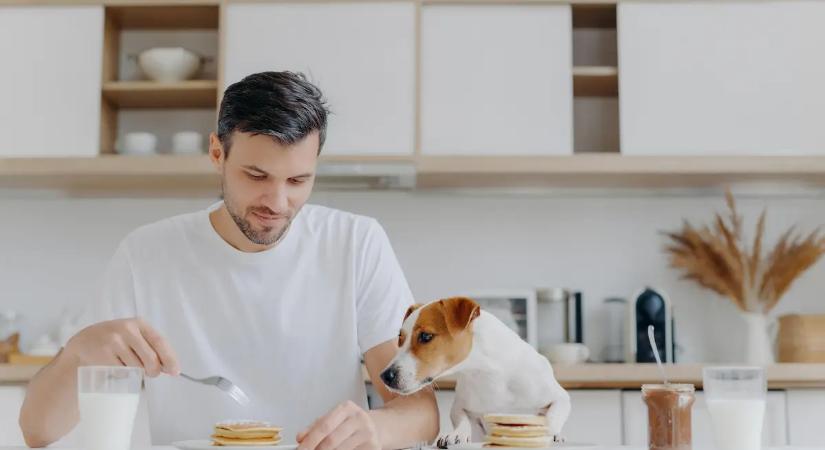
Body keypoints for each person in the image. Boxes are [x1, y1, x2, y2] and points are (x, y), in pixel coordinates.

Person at [19, 71, 439, 449]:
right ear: (217, 153)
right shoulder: (145, 255)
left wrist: (378, 430)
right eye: (256, 176)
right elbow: (37, 431)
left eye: (297, 180)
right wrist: (77, 354)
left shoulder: (355, 243)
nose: (277, 202)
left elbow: (420, 410)